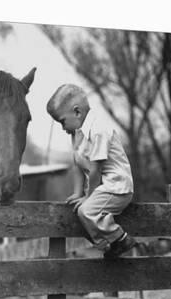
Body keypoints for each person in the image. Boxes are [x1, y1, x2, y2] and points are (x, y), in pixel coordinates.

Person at [46, 84, 136, 258]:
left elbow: (95, 170)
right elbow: (77, 163)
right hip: (104, 188)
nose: (63, 128)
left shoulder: (99, 129)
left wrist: (88, 197)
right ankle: (107, 245)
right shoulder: (78, 134)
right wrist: (78, 193)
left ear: (77, 112)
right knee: (78, 212)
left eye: (62, 121)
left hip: (117, 187)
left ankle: (120, 238)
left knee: (86, 211)